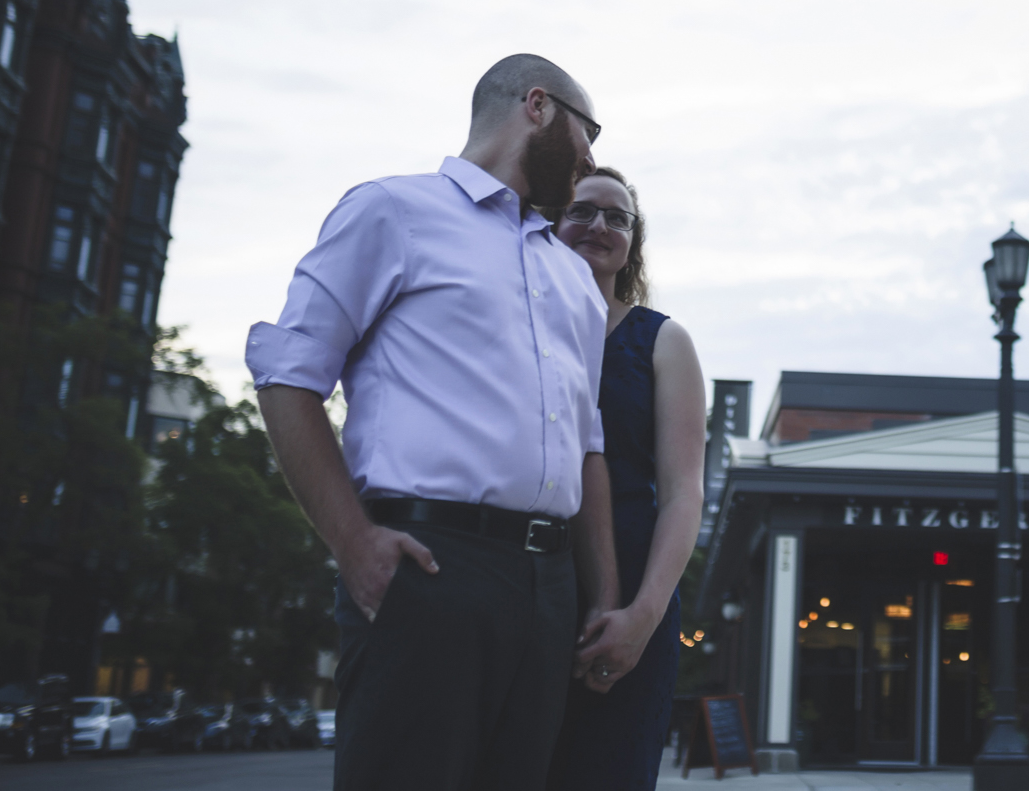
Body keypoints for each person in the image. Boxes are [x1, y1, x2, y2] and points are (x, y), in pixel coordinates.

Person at [250, 54, 627, 791]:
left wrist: (602, 597)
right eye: (590, 131)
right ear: (539, 106)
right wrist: (352, 541)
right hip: (429, 567)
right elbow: (288, 375)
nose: (590, 160)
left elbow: (589, 447)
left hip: (549, 590)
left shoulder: (573, 279)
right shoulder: (391, 210)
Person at [545, 167, 706, 791]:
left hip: (638, 580)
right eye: (583, 210)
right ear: (551, 223)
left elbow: (684, 492)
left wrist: (643, 614)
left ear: (632, 242)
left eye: (619, 218)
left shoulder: (663, 341)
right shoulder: (521, 330)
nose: (600, 227)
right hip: (527, 577)